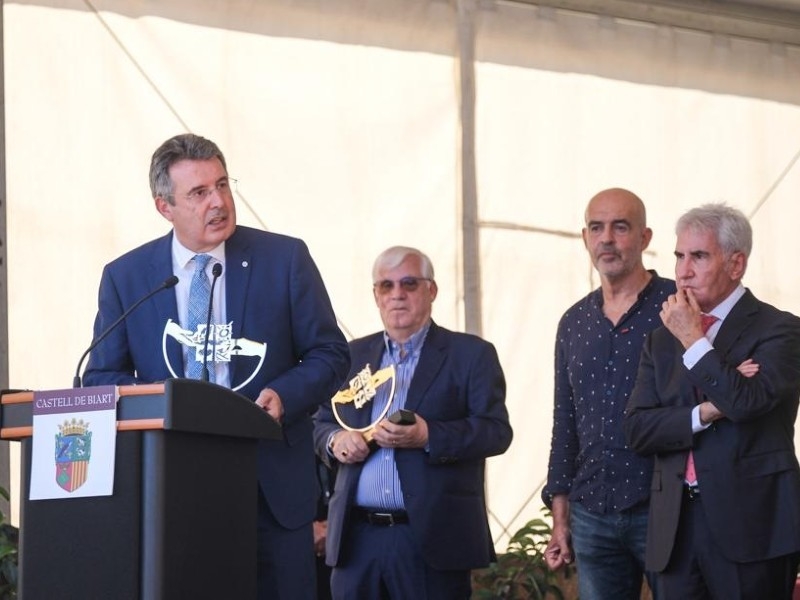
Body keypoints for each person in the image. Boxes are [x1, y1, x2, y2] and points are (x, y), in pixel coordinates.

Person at [82, 133, 351, 600]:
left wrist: (284, 396)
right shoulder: (127, 277)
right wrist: (165, 402)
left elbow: (330, 352)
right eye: (199, 192)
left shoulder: (284, 259)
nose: (218, 202)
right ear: (165, 207)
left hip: (270, 484)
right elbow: (101, 376)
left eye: (223, 185)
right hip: (172, 487)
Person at [313, 246, 513, 599]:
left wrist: (428, 435)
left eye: (409, 283)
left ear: (431, 290)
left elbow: (495, 432)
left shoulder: (470, 354)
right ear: (376, 295)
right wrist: (336, 440)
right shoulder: (352, 356)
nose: (397, 294)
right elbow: (321, 423)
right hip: (356, 539)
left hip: (432, 539)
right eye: (386, 285)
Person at [623, 203, 800, 599]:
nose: (683, 271)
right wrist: (706, 411)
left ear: (736, 265)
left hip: (752, 527)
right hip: (674, 529)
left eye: (699, 256)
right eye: (679, 256)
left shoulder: (781, 329)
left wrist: (693, 340)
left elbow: (747, 403)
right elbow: (637, 429)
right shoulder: (661, 339)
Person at [542, 188, 674, 600]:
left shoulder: (677, 306)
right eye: (596, 228)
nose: (607, 239)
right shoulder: (574, 322)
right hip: (591, 512)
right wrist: (560, 517)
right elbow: (564, 422)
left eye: (620, 227)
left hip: (665, 506)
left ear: (645, 237)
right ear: (585, 238)